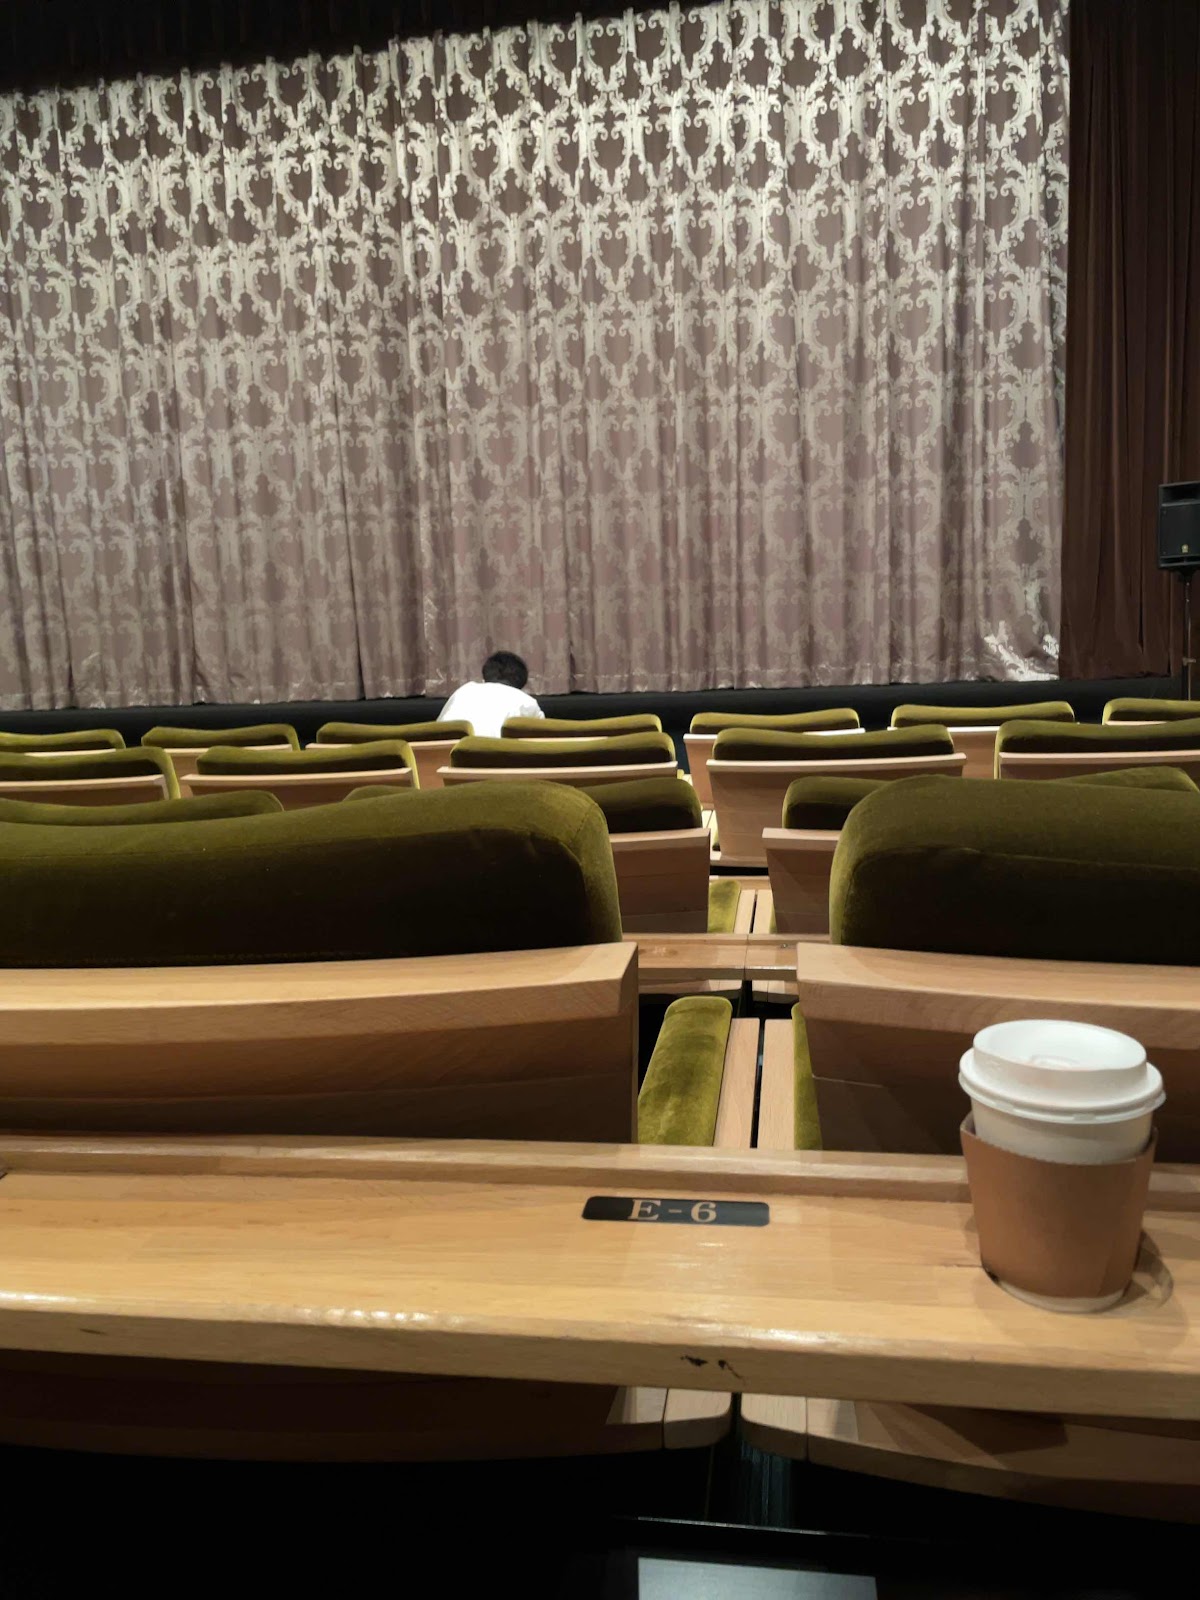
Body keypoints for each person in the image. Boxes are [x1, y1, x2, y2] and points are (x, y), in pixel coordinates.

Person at [438, 651, 544, 739]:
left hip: (441, 755)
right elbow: (542, 742)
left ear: (485, 677)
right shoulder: (526, 702)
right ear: (521, 684)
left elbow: (438, 728)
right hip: (495, 756)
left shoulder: (463, 691)